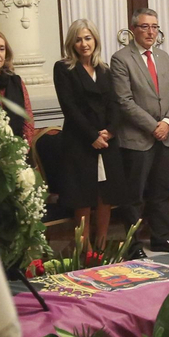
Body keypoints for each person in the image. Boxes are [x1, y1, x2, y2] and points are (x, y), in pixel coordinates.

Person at [111, 7, 169, 254]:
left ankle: (161, 238)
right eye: (145, 26)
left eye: (154, 26)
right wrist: (154, 126)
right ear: (133, 30)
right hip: (137, 139)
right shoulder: (121, 59)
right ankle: (133, 245)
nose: (151, 31)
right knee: (135, 196)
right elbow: (124, 101)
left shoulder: (163, 57)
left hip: (164, 136)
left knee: (161, 192)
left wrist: (168, 123)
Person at [52, 19, 128, 250]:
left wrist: (111, 131)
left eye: (88, 38)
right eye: (78, 39)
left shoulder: (104, 69)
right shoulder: (63, 68)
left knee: (105, 196)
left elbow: (115, 104)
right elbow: (69, 107)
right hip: (80, 141)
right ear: (71, 43)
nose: (84, 44)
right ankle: (84, 250)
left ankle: (102, 245)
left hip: (107, 141)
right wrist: (92, 135)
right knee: (83, 197)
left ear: (95, 40)